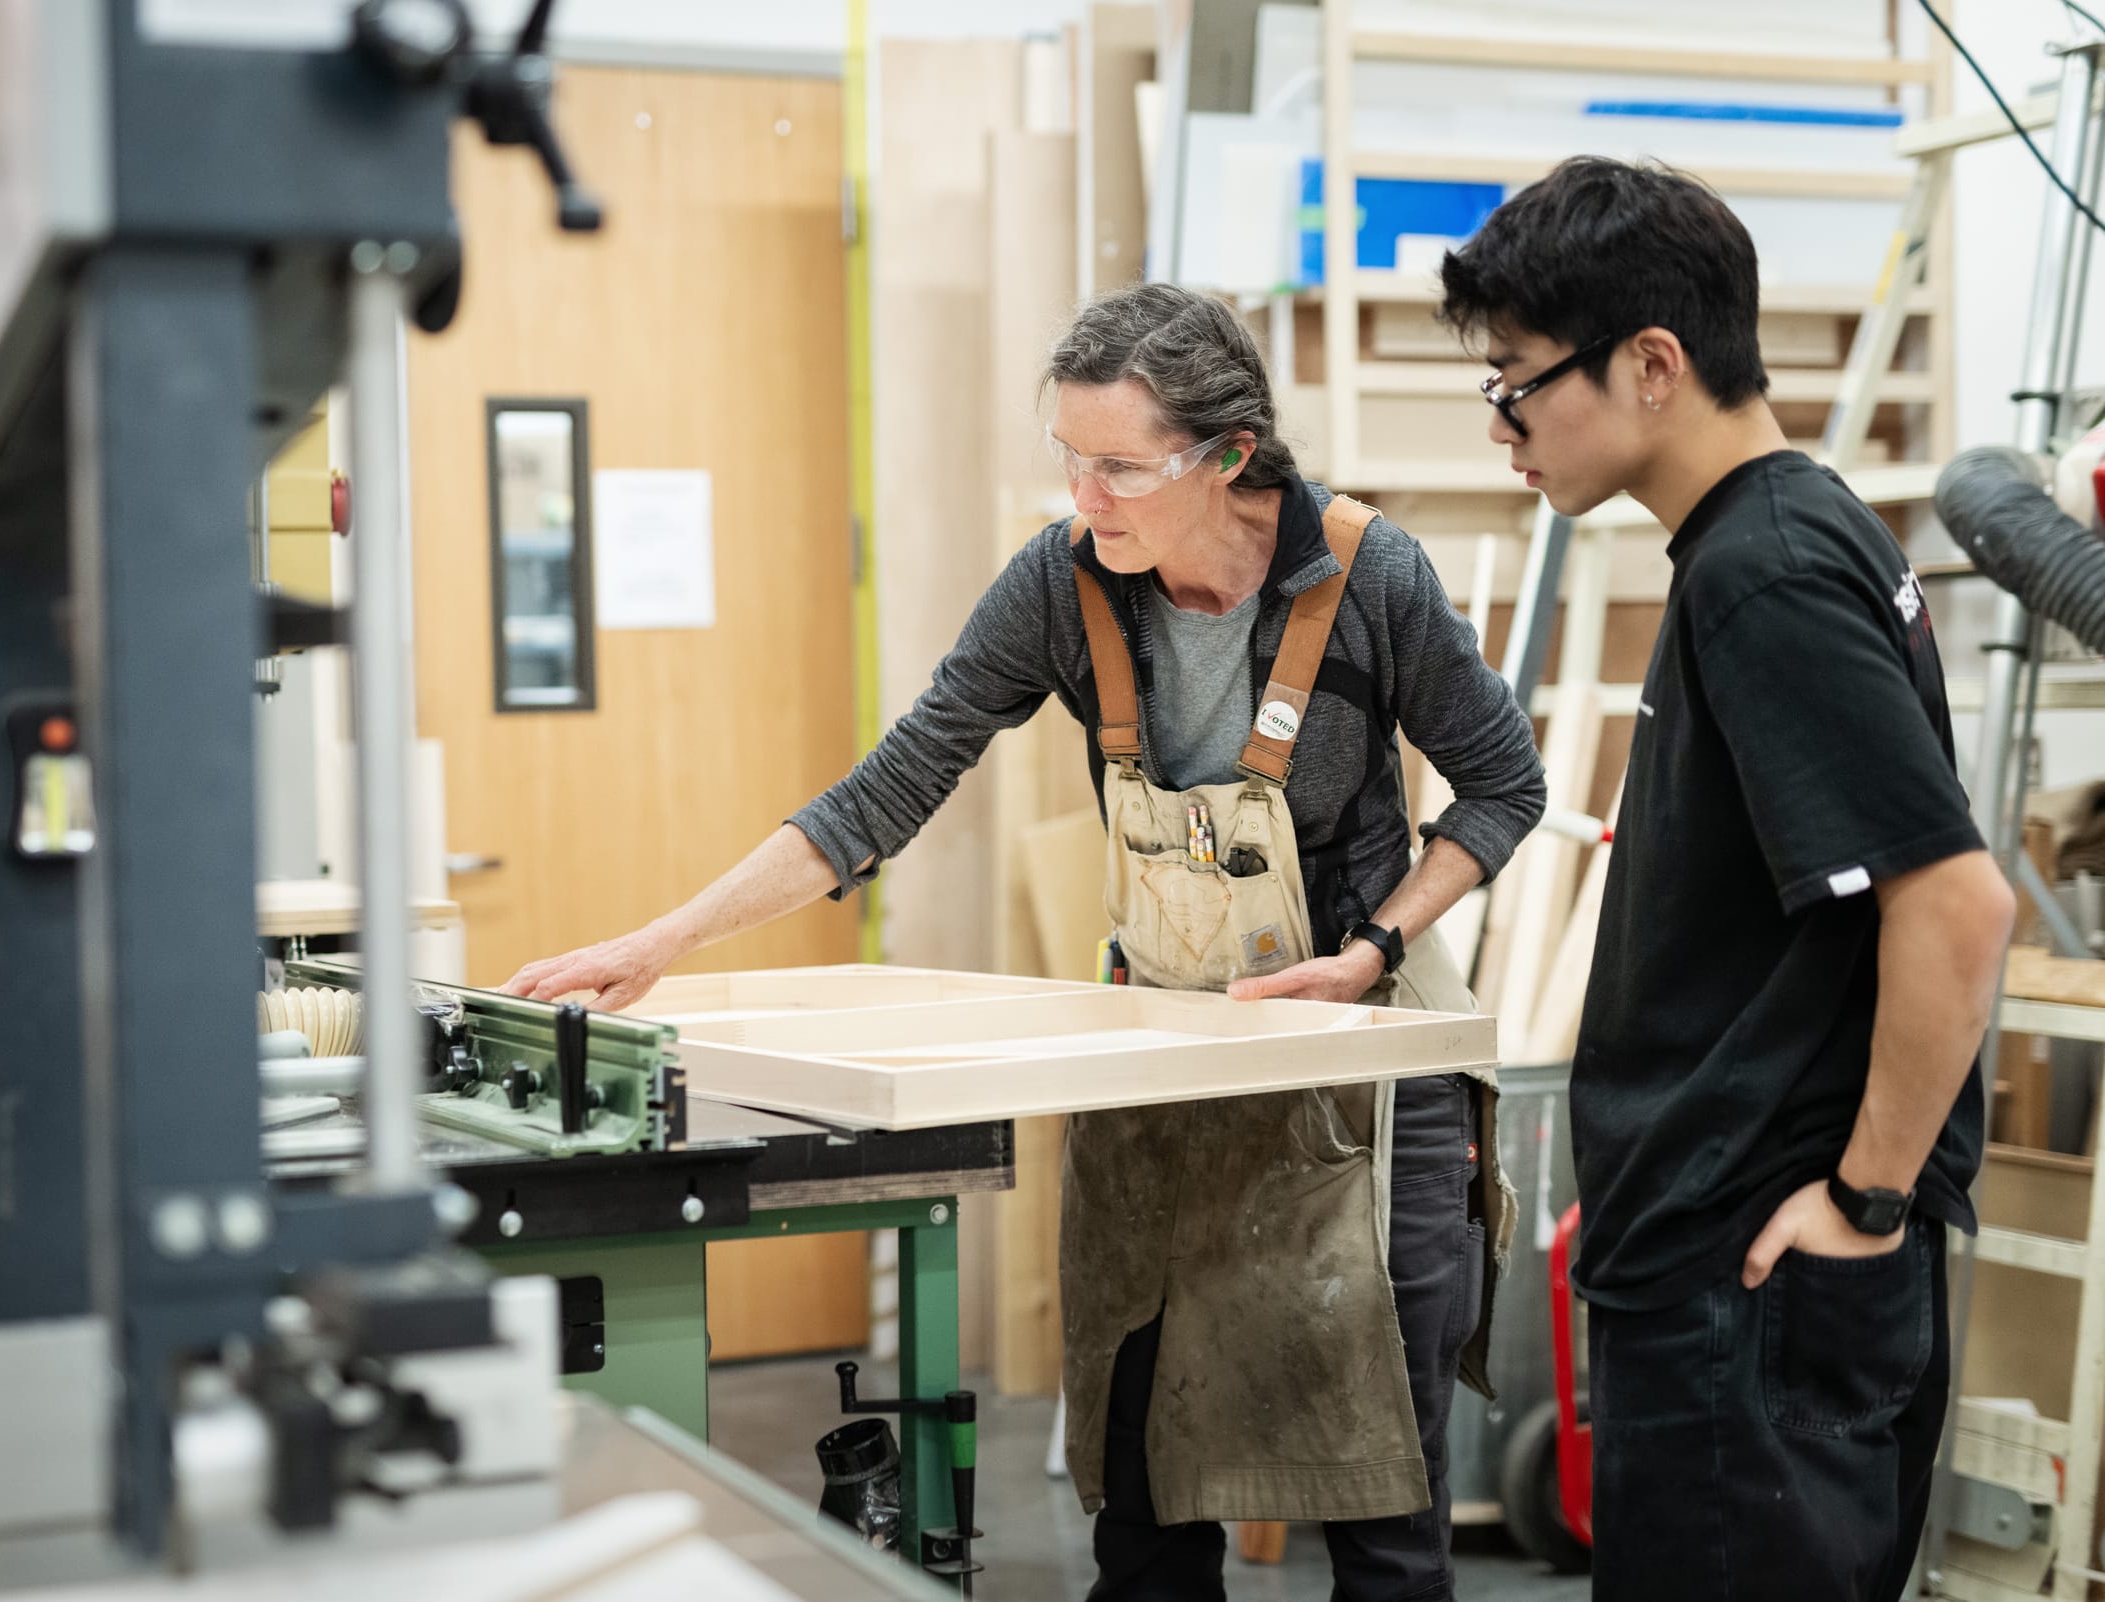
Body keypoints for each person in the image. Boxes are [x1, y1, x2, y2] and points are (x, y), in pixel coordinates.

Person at [506, 281, 1543, 1600]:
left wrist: (1373, 951)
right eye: (1069, 455)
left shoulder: (1370, 574)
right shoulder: (1064, 590)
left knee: (1386, 1519)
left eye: (1118, 465)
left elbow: (1507, 785)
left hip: (1366, 1070)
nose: (1084, 494)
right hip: (1166, 1069)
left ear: (1227, 456)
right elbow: (885, 791)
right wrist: (663, 940)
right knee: (1145, 1500)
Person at [1437, 157, 2017, 1601]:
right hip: (1734, 1275)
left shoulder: (1764, 571)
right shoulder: (1778, 540)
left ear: (1651, 364)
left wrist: (1866, 1203)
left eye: (1518, 380)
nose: (1503, 425)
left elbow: (1955, 904)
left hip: (1752, 1281)